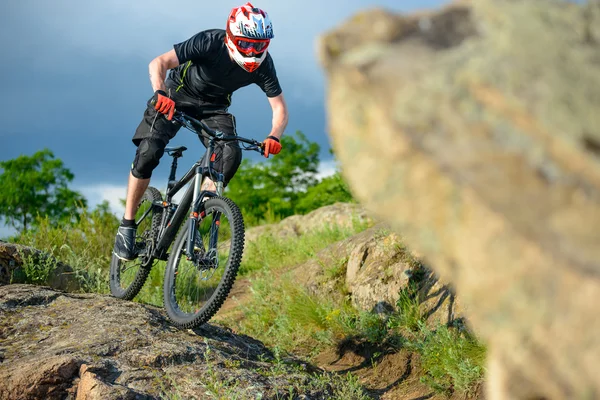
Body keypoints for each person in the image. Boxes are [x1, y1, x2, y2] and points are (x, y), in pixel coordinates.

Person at [113, 2, 288, 261]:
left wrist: (274, 136)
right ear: (231, 36)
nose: (252, 51)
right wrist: (160, 93)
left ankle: (196, 216)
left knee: (230, 155)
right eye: (246, 44)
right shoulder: (209, 41)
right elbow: (158, 62)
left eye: (259, 45)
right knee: (148, 151)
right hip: (176, 96)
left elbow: (280, 108)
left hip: (214, 109)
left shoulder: (263, 65)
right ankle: (127, 225)